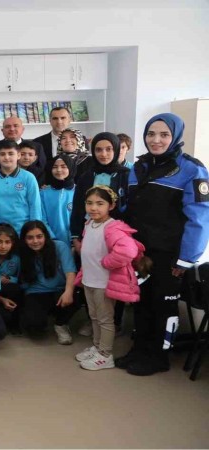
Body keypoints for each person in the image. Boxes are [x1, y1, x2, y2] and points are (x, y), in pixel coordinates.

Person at [119, 113, 209, 376]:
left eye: (164, 134)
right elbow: (129, 208)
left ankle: (158, 357)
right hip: (140, 252)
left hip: (170, 255)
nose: (156, 140)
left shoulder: (191, 169)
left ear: (175, 136)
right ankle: (140, 349)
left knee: (162, 305)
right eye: (150, 134)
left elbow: (200, 218)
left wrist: (186, 259)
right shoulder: (139, 167)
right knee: (142, 302)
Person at [74, 186, 146, 371]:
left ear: (111, 205)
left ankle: (105, 355)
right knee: (94, 316)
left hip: (103, 283)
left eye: (100, 203)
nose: (93, 208)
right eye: (89, 203)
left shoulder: (113, 227)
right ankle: (97, 347)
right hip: (89, 280)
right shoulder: (89, 223)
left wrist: (107, 262)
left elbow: (128, 251)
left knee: (105, 319)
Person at [17, 221, 79, 344]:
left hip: (60, 290)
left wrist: (68, 292)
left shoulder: (59, 246)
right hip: (36, 292)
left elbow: (70, 272)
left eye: (39, 236)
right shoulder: (22, 252)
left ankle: (61, 324)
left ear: (46, 236)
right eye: (30, 238)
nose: (35, 241)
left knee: (79, 295)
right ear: (24, 239)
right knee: (35, 329)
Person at [70, 133, 130, 252]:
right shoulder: (86, 177)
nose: (103, 154)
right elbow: (78, 208)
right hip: (89, 232)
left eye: (109, 149)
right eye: (98, 150)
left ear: (116, 150)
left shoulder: (126, 175)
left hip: (118, 236)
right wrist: (76, 237)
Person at [0, 141, 42, 235]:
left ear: (18, 155)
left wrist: (35, 228)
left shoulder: (29, 177)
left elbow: (35, 205)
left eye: (11, 154)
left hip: (22, 230)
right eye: (2, 154)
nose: (6, 157)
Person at [0, 224, 23, 335]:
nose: (3, 246)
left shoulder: (16, 259)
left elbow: (20, 279)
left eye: (7, 242)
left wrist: (10, 279)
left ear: (12, 243)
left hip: (8, 291)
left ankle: (15, 323)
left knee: (15, 289)